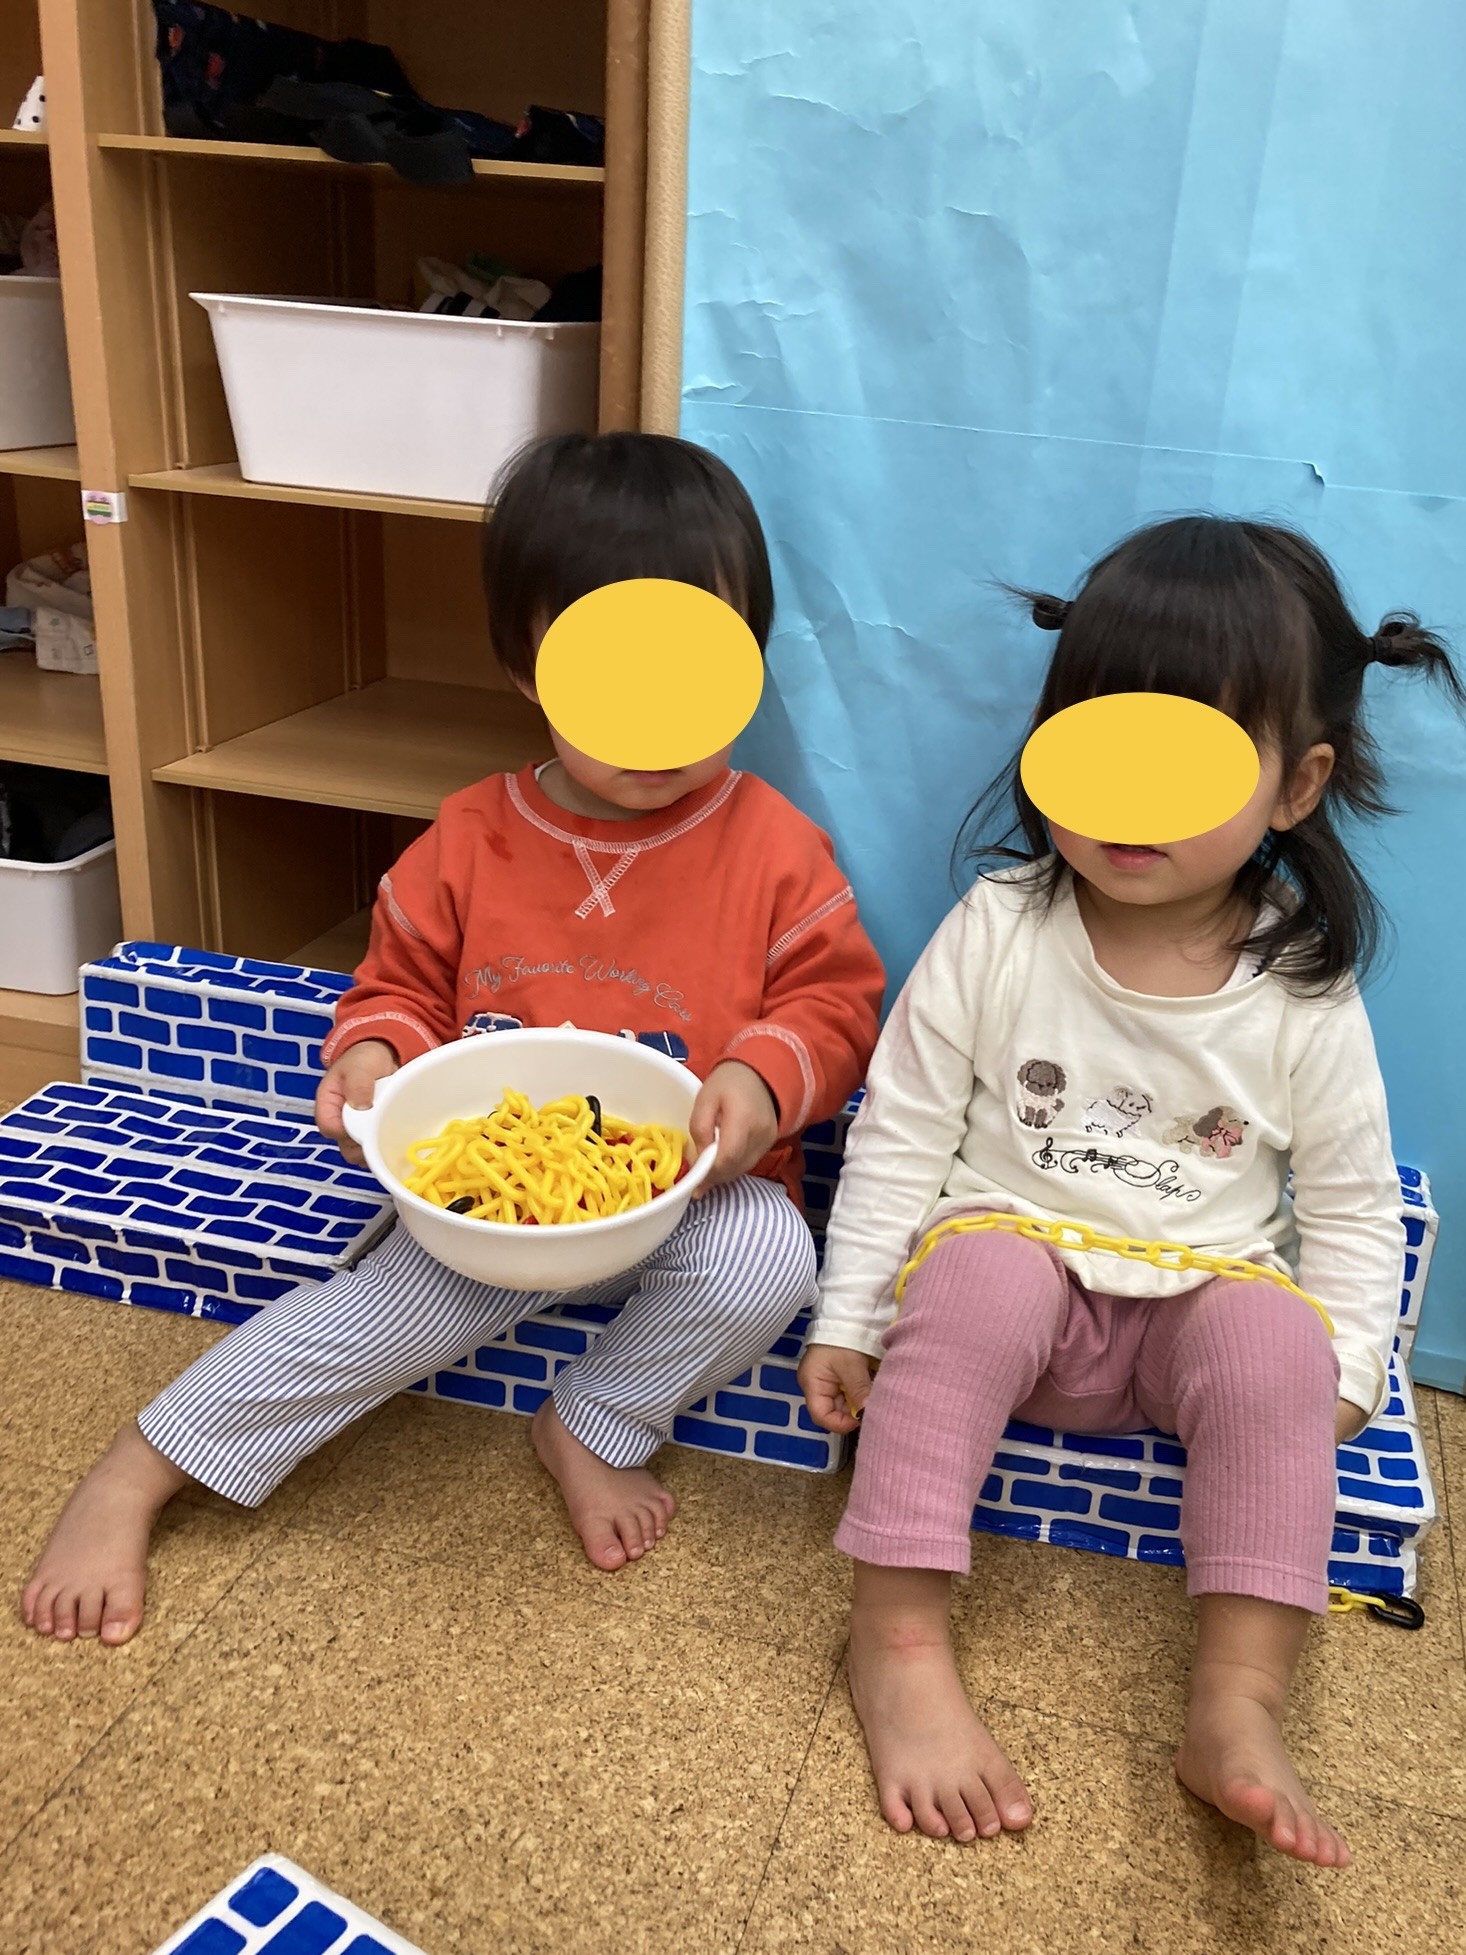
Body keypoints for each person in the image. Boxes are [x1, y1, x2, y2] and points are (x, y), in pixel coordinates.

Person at [24, 431, 884, 1647]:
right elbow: (399, 987)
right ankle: (144, 1464)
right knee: (368, 1317)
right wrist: (372, 1059)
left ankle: (594, 1422)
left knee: (768, 1259)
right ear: (527, 670)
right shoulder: (472, 835)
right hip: (486, 1212)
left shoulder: (775, 846)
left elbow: (832, 1003)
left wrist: (756, 1076)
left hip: (689, 1193)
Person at [798, 516, 1462, 1868]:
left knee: (1271, 1335)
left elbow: (1347, 1205)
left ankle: (1237, 1702)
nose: (1130, 800)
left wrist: (1338, 1373)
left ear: (1295, 784)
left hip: (1195, 1307)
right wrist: (850, 1316)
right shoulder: (999, 927)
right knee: (980, 1271)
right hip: (1011, 1285)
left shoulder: (1299, 984)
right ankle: (896, 1640)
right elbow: (901, 1130)